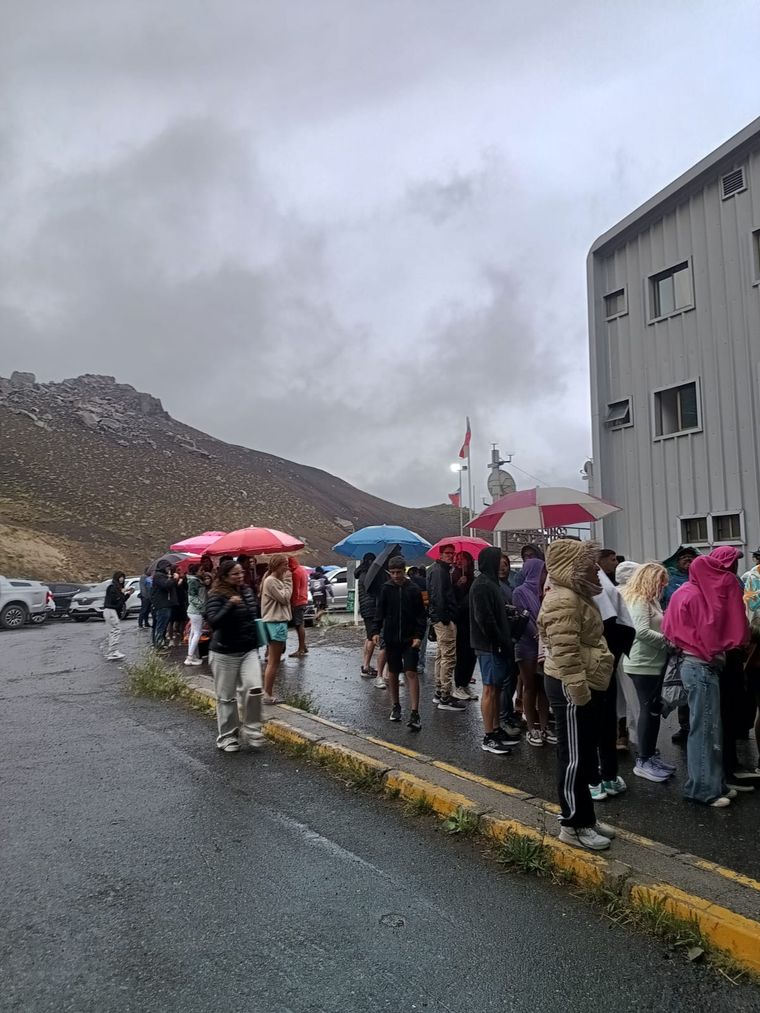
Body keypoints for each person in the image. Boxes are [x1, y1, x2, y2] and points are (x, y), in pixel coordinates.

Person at [538, 540, 615, 851]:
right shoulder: (563, 599)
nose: (595, 569)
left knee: (583, 754)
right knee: (572, 758)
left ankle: (587, 817)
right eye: (588, 564)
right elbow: (565, 650)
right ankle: (573, 824)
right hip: (571, 686)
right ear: (571, 566)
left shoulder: (576, 595)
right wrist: (579, 689)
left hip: (581, 684)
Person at [662, 546, 749, 808]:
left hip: (690, 663)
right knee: (706, 728)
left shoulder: (683, 591)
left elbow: (669, 629)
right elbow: (711, 634)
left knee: (705, 727)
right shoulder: (699, 596)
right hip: (702, 665)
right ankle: (703, 789)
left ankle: (712, 783)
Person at [621, 563, 674, 783]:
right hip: (643, 664)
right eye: (660, 580)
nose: (663, 585)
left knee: (651, 711)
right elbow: (641, 631)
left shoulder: (650, 600)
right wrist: (667, 642)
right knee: (647, 711)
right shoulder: (640, 600)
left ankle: (649, 755)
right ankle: (643, 760)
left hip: (652, 662)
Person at [205, 559, 263, 753]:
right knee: (226, 698)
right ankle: (227, 737)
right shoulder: (215, 595)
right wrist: (229, 604)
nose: (240, 576)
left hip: (248, 650)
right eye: (235, 574)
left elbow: (253, 617)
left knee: (254, 688)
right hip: (224, 652)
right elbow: (213, 621)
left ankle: (253, 730)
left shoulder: (247, 591)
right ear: (224, 577)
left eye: (241, 573)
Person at [589, 557, 635, 800]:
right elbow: (623, 624)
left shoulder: (587, 588)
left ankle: (596, 780)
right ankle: (607, 775)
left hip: (593, 666)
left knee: (591, 723)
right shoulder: (601, 584)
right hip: (606, 661)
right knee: (604, 721)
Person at [372, 555, 426, 730]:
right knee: (393, 673)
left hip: (410, 638)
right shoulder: (386, 589)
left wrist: (419, 635)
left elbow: (421, 616)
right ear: (389, 573)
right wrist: (374, 631)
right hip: (391, 638)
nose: (396, 576)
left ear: (404, 571)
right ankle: (395, 706)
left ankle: (415, 712)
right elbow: (379, 612)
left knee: (411, 672)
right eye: (393, 573)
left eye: (399, 572)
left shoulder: (414, 589)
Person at [470, 547, 515, 754]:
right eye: (498, 560)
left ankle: (496, 729)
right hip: (488, 645)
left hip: (497, 643)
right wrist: (497, 639)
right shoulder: (482, 585)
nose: (502, 564)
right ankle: (488, 735)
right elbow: (484, 618)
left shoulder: (492, 583)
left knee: (496, 688)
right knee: (489, 688)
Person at [512, 556, 552, 746]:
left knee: (544, 687)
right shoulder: (520, 591)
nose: (545, 574)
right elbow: (523, 615)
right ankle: (532, 728)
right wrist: (538, 634)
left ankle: (545, 726)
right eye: (542, 570)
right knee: (530, 686)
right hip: (527, 644)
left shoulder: (545, 591)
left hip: (543, 644)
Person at [662, 546, 699, 746]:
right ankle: (684, 726)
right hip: (675, 636)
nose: (687, 560)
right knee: (679, 683)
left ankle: (694, 725)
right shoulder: (669, 580)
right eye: (683, 557)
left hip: (697, 638)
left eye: (691, 557)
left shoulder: (702, 579)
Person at [428, 544, 464, 711]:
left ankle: (439, 691)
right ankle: (446, 695)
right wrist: (445, 618)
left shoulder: (441, 571)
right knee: (449, 657)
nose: (451, 556)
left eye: (452, 553)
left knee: (441, 655)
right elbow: (438, 596)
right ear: (441, 555)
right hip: (443, 620)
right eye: (447, 553)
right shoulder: (439, 572)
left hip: (440, 618)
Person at [261, 554, 293, 703]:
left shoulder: (271, 580)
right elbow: (285, 598)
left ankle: (267, 692)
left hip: (275, 623)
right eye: (284, 565)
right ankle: (267, 694)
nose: (287, 568)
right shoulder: (271, 581)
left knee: (273, 661)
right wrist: (288, 581)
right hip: (276, 622)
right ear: (277, 566)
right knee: (274, 661)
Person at [498, 555, 521, 736]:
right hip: (505, 638)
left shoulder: (512, 584)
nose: (503, 568)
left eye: (505, 565)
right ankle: (503, 716)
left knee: (512, 678)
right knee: (505, 680)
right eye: (499, 565)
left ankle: (509, 711)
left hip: (515, 636)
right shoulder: (496, 587)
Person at [452, 551, 478, 701]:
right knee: (461, 654)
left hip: (472, 620)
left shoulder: (472, 577)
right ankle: (459, 684)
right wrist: (458, 586)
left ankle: (466, 682)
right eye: (457, 559)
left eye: (463, 559)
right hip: (460, 620)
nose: (459, 562)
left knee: (471, 655)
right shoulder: (454, 576)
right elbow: (452, 597)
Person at [356, 553, 379, 676]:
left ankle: (366, 664)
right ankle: (366, 666)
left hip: (365, 609)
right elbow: (374, 592)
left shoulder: (361, 573)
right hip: (371, 609)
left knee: (369, 636)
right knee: (372, 637)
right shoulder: (368, 575)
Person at [185, 563, 210, 666]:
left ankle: (191, 655)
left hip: (193, 611)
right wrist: (201, 605)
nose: (203, 572)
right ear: (196, 571)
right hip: (196, 611)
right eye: (201, 570)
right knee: (197, 633)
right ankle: (190, 657)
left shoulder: (196, 580)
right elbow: (192, 598)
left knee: (193, 633)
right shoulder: (194, 581)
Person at [103, 571, 131, 660]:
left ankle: (112, 651)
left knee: (113, 630)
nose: (122, 579)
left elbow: (121, 601)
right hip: (110, 610)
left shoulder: (117, 588)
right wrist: (121, 592)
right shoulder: (112, 587)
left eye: (123, 577)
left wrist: (127, 595)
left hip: (112, 610)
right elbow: (115, 599)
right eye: (120, 577)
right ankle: (113, 651)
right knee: (116, 630)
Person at [150, 559, 176, 648]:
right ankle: (158, 644)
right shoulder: (158, 576)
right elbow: (166, 585)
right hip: (161, 604)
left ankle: (160, 642)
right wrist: (172, 578)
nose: (169, 569)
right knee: (160, 625)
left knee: (163, 625)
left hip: (165, 604)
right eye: (167, 567)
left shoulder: (162, 576)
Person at [287, 557, 309, 658]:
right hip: (304, 600)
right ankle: (303, 646)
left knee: (299, 625)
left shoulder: (295, 573)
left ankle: (301, 650)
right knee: (300, 624)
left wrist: (292, 604)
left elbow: (295, 590)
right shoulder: (302, 569)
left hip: (298, 602)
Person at [169, 565, 188, 647]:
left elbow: (186, 588)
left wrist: (183, 580)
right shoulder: (170, 579)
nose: (180, 571)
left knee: (182, 621)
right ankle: (171, 639)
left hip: (181, 602)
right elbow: (169, 588)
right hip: (173, 602)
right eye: (178, 570)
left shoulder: (182, 578)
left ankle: (181, 638)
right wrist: (176, 581)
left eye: (180, 570)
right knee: (171, 621)